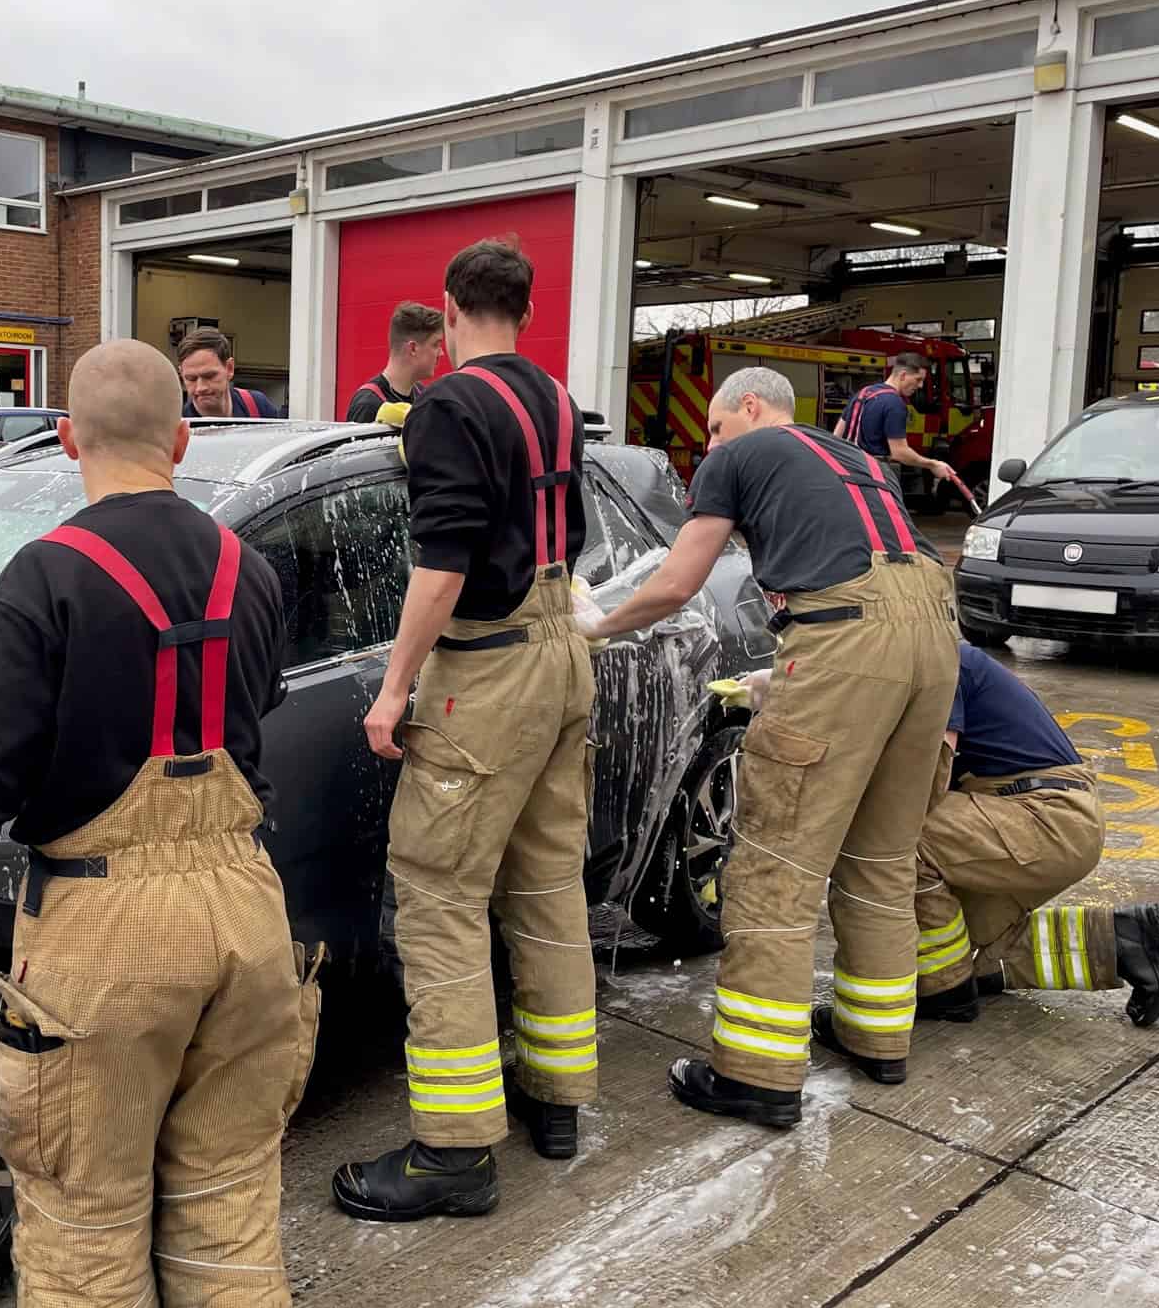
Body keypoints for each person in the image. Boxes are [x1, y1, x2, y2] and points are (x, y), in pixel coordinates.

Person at [0, 339, 318, 1308]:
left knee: (87, 1212)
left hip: (107, 930)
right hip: (247, 915)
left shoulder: (44, 578)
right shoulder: (252, 570)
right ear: (182, 442)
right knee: (226, 1191)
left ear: (70, 440)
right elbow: (250, 709)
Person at [580, 366, 958, 1127]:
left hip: (844, 636)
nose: (709, 445)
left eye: (715, 427)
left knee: (775, 864)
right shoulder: (859, 459)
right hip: (939, 634)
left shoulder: (739, 455)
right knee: (882, 856)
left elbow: (678, 583)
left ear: (748, 408)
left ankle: (756, 1076)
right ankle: (877, 1037)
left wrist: (593, 626)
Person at [332, 238, 596, 1223]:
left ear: (447, 314)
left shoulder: (450, 405)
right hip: (564, 650)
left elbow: (440, 565)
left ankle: (453, 1154)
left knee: (440, 897)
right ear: (525, 311)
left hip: (486, 672)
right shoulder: (559, 402)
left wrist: (394, 689)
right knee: (547, 878)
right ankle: (558, 1100)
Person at [900, 643, 1159, 1038]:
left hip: (1045, 816)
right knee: (952, 946)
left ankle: (946, 993)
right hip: (1047, 815)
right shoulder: (930, 653)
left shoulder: (933, 657)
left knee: (892, 840)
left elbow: (918, 787)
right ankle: (1123, 940)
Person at [832, 352, 958, 496]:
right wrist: (933, 464)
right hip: (873, 476)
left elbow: (836, 436)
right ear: (903, 375)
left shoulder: (862, 393)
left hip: (846, 471)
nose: (920, 385)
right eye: (918, 379)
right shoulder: (895, 404)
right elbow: (900, 453)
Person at [345, 302, 444, 422]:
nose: (441, 353)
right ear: (413, 348)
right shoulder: (367, 405)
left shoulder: (423, 397)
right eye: (435, 345)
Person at [176, 328, 284, 418]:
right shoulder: (176, 426)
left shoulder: (257, 406)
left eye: (209, 376)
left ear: (229, 368)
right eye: (191, 378)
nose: (201, 388)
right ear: (181, 373)